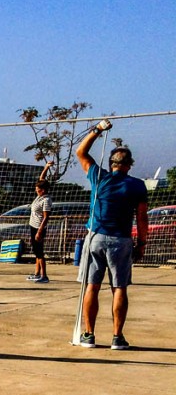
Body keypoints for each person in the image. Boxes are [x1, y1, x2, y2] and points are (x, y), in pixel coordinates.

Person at [75, 119, 148, 350]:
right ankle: (117, 336)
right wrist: (142, 243)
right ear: (129, 165)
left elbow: (80, 152)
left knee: (92, 286)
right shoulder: (137, 185)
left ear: (111, 163)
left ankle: (89, 334)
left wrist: (97, 130)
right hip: (121, 240)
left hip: (96, 236)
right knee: (119, 287)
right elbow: (142, 217)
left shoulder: (99, 177)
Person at [27, 161, 54, 284]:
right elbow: (41, 178)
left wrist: (39, 231)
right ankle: (37, 273)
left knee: (39, 252)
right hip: (33, 226)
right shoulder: (39, 197)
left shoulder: (46, 200)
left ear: (43, 190)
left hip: (39, 227)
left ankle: (44, 275)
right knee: (36, 252)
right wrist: (46, 167)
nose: (36, 190)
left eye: (38, 189)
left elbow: (46, 217)